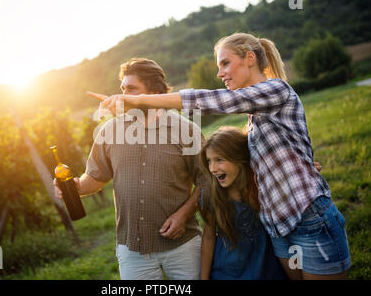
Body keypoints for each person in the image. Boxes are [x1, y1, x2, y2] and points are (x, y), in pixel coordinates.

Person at [88, 32, 351, 280]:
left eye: (225, 63)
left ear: (250, 58)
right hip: (280, 227)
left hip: (309, 219)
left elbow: (214, 100)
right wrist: (303, 163)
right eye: (219, 66)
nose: (220, 72)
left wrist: (140, 100)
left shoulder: (277, 90)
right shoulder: (255, 116)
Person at [56, 58, 206, 280]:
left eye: (131, 89)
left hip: (183, 245)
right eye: (122, 88)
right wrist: (76, 187)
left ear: (154, 92)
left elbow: (207, 182)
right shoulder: (108, 131)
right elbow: (95, 178)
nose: (122, 95)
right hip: (132, 250)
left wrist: (184, 215)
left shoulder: (187, 130)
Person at [199, 126, 287, 280]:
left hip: (267, 269)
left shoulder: (261, 186)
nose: (212, 168)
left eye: (219, 160)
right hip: (228, 272)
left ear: (239, 158)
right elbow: (208, 238)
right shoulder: (211, 194)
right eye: (209, 161)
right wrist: (203, 278)